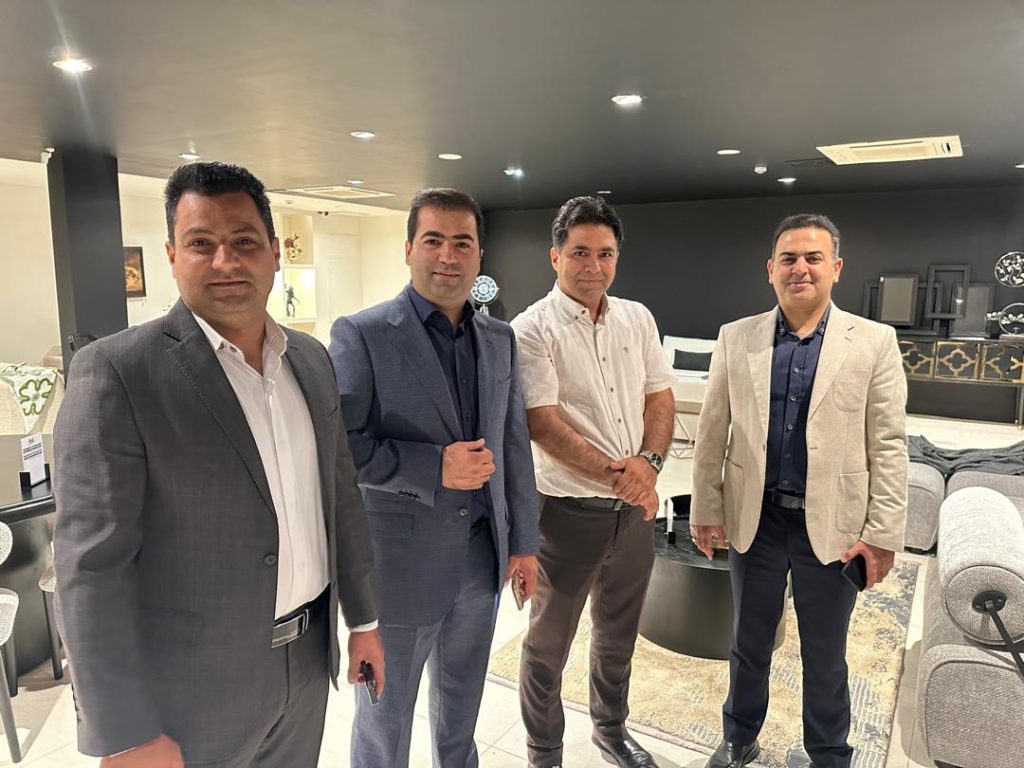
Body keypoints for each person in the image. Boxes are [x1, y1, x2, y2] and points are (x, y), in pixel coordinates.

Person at [53, 161, 384, 768]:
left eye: (244, 242)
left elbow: (340, 497)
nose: (225, 261)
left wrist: (363, 619)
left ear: (275, 253)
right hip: (189, 693)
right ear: (171, 256)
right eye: (201, 243)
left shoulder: (311, 360)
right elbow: (92, 568)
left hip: (308, 666)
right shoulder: (119, 372)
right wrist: (123, 731)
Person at [329, 187, 539, 768]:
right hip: (400, 569)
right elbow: (340, 446)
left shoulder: (499, 338)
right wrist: (433, 467)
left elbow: (513, 445)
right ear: (408, 249)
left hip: (481, 563)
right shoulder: (363, 334)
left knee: (462, 706)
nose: (448, 255)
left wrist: (523, 544)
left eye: (462, 243)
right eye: (433, 240)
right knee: (385, 717)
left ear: (479, 255)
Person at [691, 213, 908, 768]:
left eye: (814, 258)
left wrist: (882, 533)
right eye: (788, 258)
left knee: (826, 654)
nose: (800, 268)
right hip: (756, 521)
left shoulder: (874, 342)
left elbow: (888, 445)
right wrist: (706, 508)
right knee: (748, 642)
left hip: (834, 527)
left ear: (836, 267)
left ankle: (829, 754)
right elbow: (713, 432)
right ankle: (739, 738)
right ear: (770, 269)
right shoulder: (736, 338)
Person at [510, 196, 676, 768]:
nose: (594, 265)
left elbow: (660, 398)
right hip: (564, 515)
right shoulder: (531, 329)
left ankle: (610, 730)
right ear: (555, 256)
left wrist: (649, 464)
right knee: (547, 644)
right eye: (580, 252)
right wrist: (624, 477)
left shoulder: (638, 318)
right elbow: (542, 423)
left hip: (632, 518)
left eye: (605, 253)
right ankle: (544, 752)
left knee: (618, 633)